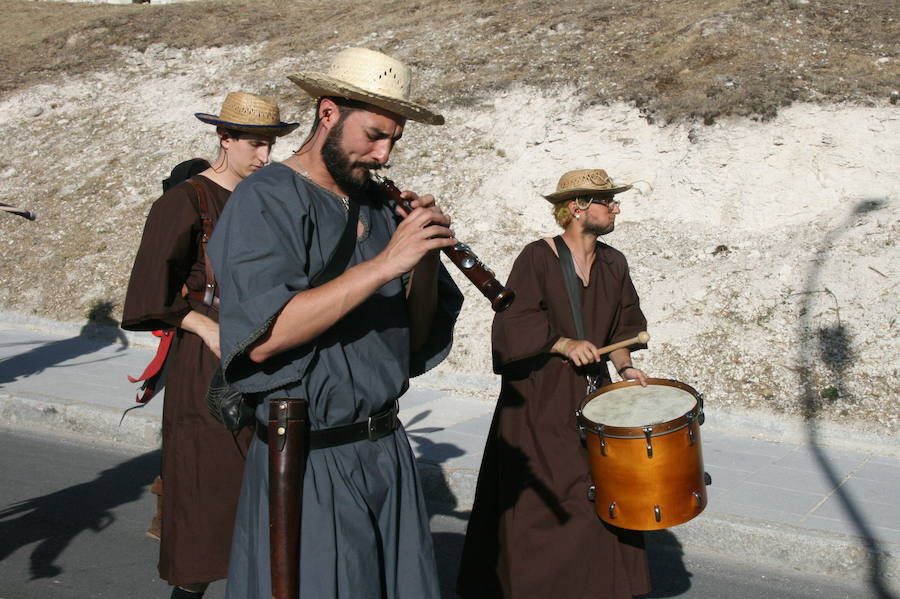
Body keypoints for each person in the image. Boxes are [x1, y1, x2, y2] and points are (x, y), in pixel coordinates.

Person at [207, 47, 464, 599]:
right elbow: (264, 338)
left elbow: (415, 338)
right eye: (374, 134)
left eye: (394, 139)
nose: (385, 154)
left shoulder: (376, 204)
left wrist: (422, 259)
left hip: (386, 450)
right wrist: (385, 263)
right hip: (307, 457)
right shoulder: (266, 198)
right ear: (328, 114)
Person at [121, 91, 298, 599]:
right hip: (206, 363)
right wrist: (202, 326)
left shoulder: (265, 198)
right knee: (205, 497)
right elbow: (147, 293)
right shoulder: (186, 200)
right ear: (225, 139)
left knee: (270, 500)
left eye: (270, 145)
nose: (265, 157)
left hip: (267, 353)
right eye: (256, 145)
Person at [457, 168, 653, 599]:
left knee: (599, 494)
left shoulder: (614, 262)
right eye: (608, 201)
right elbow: (514, 320)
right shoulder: (537, 257)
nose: (616, 207)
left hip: (592, 397)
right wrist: (563, 343)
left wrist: (625, 366)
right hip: (539, 399)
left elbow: (623, 326)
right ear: (578, 207)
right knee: (544, 503)